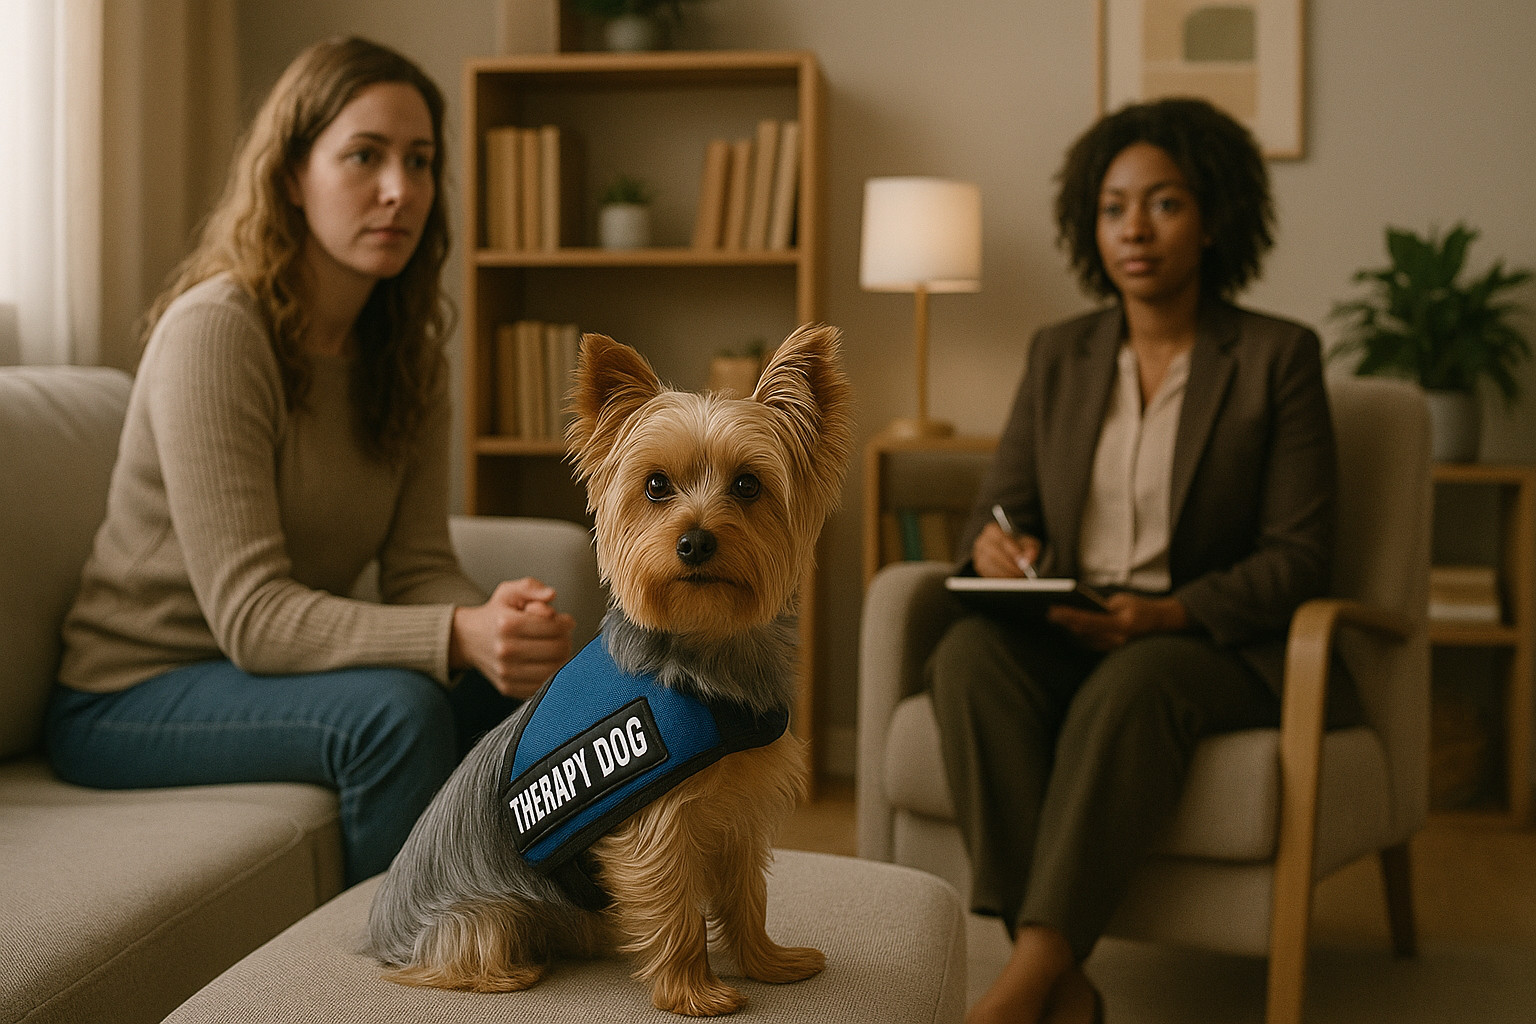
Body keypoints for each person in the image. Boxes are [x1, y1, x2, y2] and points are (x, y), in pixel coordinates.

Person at [45, 36, 576, 887]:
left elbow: (418, 567)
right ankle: (403, 952)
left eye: (420, 161)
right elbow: (251, 615)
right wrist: (455, 634)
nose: (400, 189)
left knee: (528, 693)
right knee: (397, 715)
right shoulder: (218, 331)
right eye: (365, 156)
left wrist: (493, 622)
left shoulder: (407, 357)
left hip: (253, 674)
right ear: (292, 175)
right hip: (131, 692)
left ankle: (539, 913)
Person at [929, 97, 1358, 1024]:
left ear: (1213, 219)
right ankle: (1069, 990)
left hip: (1206, 641)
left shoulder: (1278, 357)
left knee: (1136, 682)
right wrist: (997, 549)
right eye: (1114, 207)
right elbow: (997, 515)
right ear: (1091, 225)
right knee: (965, 658)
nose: (1136, 229)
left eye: (1164, 203)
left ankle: (1026, 980)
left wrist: (1166, 614)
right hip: (1075, 620)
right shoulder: (1059, 353)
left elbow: (1300, 558)